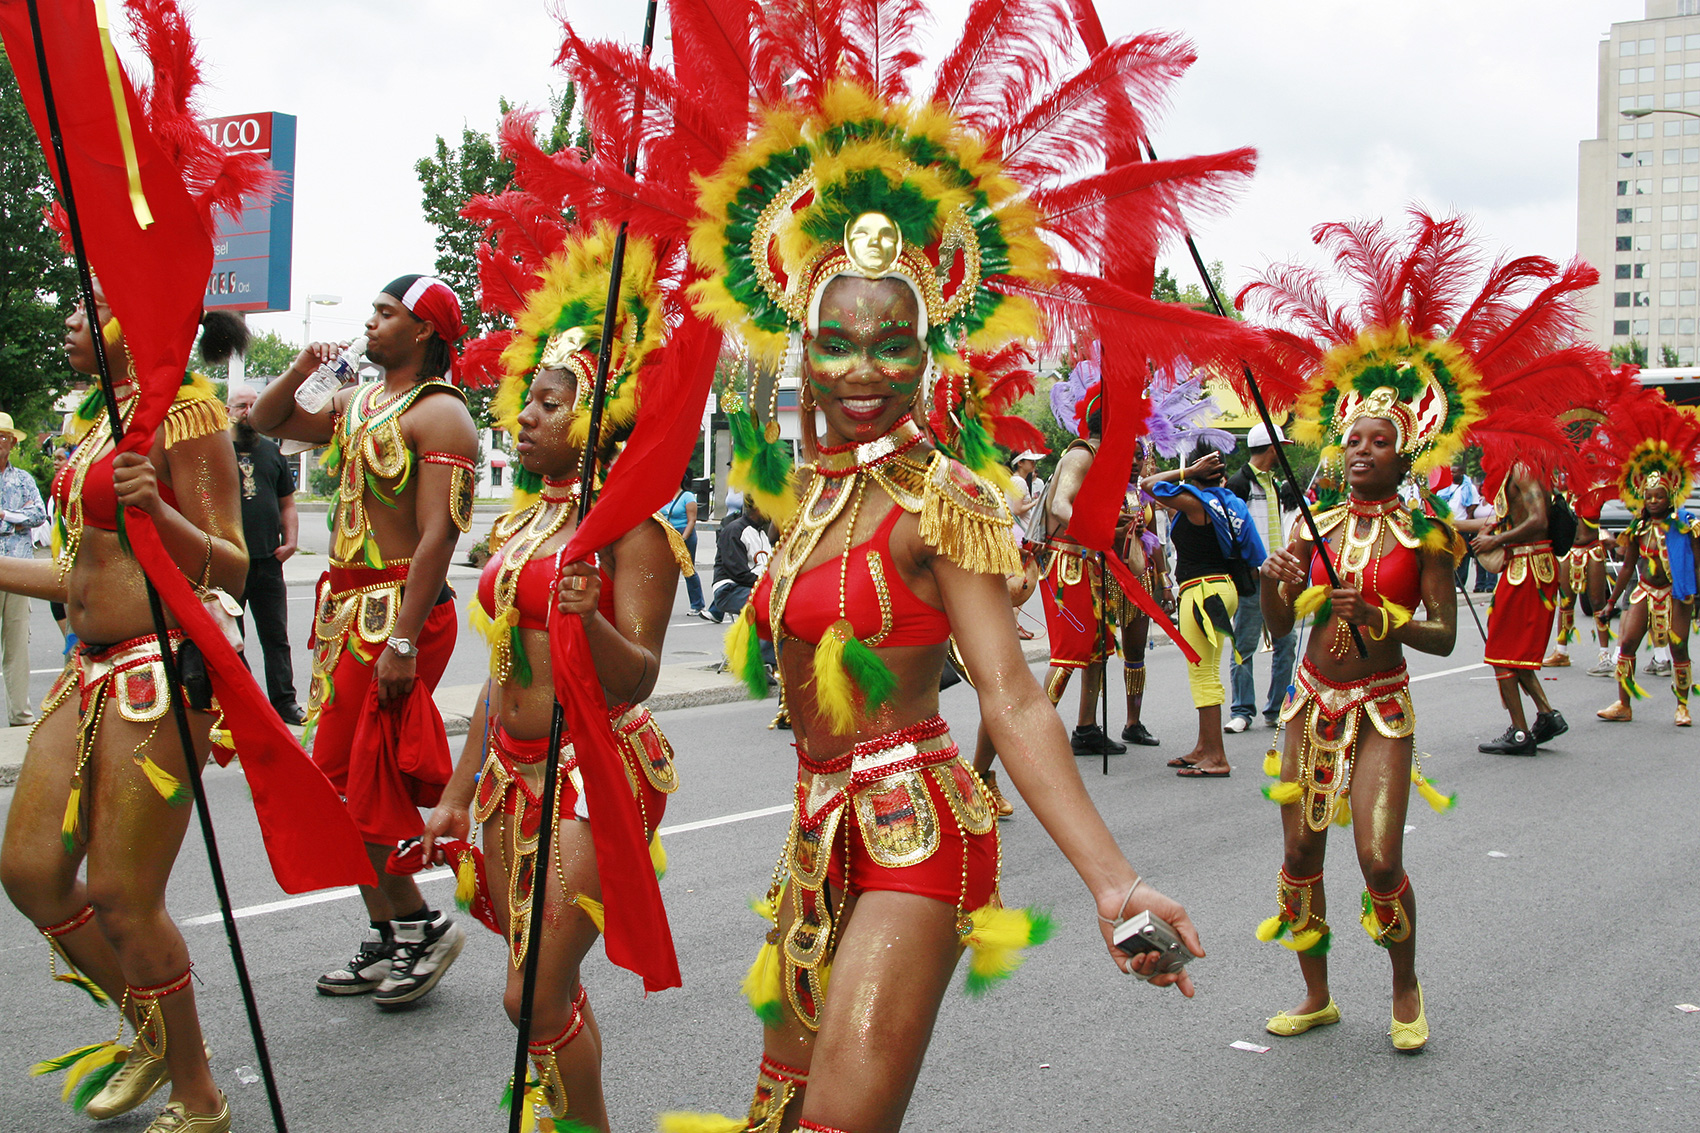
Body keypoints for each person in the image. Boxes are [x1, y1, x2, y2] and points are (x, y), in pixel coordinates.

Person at [556, 6, 1263, 1125]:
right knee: (778, 1110)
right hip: (812, 830)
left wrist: (1110, 878)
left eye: (892, 340)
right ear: (801, 342)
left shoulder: (944, 504)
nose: (861, 366)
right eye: (837, 339)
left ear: (928, 346)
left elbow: (1014, 696)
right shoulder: (811, 502)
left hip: (911, 835)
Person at [1239, 206, 1606, 1051]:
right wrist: (1273, 583)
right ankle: (1318, 993)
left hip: (1379, 709)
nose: (1360, 450)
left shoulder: (1429, 537)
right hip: (1309, 705)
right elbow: (1275, 631)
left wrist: (1383, 616)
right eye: (1351, 440)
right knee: (1299, 860)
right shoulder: (1313, 528)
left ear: (1407, 455)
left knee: (1376, 860)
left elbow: (1445, 637)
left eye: (1378, 441)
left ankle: (1404, 988)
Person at [420, 219, 689, 1130]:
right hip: (507, 774)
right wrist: (458, 792)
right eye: (526, 400)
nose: (523, 417)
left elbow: (640, 677)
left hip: (591, 769)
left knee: (527, 996)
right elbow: (500, 670)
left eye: (547, 402)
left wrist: (586, 616)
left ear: (600, 418)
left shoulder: (634, 530)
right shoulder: (523, 525)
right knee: (540, 993)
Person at [0, 291, 250, 1126]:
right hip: (88, 667)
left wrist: (158, 509)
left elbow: (233, 567)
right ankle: (153, 1028)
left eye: (84, 309)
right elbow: (79, 578)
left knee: (119, 893)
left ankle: (198, 1090)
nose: (69, 323)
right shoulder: (95, 427)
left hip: (159, 674)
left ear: (127, 318)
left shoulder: (186, 414)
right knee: (33, 872)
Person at [250, 274, 479, 1006]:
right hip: (346, 612)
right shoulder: (355, 402)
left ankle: (420, 923)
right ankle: (388, 931)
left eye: (387, 314)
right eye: (373, 312)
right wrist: (300, 368)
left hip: (398, 615)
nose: (370, 323)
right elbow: (266, 418)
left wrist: (405, 642)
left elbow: (439, 534)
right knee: (334, 780)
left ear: (422, 331)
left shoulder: (443, 416)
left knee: (367, 782)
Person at [1145, 449, 1265, 777]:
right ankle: (1203, 747)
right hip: (1225, 589)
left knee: (1204, 674)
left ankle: (1216, 757)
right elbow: (1256, 556)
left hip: (1201, 592)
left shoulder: (1196, 503)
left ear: (1196, 474)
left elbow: (1149, 484)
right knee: (1207, 668)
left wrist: (1184, 473)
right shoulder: (1235, 505)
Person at [1034, 355, 1127, 755]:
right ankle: (1036, 733)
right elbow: (1061, 506)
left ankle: (1086, 729)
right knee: (1070, 653)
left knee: (1098, 651)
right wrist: (1098, 532)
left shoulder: (1101, 461)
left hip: (1089, 562)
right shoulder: (1081, 454)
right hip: (1068, 563)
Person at [1594, 391, 1700, 725]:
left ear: (1670, 498)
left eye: (1659, 497)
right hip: (1644, 591)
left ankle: (1681, 706)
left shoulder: (1686, 526)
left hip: (1676, 594)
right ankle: (1623, 704)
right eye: (1649, 496)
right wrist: (1611, 602)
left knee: (1678, 647)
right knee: (1626, 643)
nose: (1653, 501)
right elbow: (1627, 567)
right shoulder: (1638, 528)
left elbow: (1697, 563)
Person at [1474, 463, 1566, 755]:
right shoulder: (1523, 466)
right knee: (1514, 652)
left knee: (1501, 651)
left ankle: (1519, 733)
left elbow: (1538, 521)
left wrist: (1495, 540)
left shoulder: (1524, 468)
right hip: (1527, 564)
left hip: (1528, 568)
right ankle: (1548, 715)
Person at [225, 386, 304, 724]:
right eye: (242, 405)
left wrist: (291, 541)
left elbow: (287, 502)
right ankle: (245, 707)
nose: (249, 411)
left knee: (276, 638)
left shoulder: (273, 452)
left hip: (269, 561)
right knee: (232, 640)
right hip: (231, 564)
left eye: (255, 405)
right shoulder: (216, 450)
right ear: (228, 410)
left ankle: (284, 704)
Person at [1226, 422, 1300, 733]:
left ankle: (1277, 708)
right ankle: (1242, 710)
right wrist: (1246, 571)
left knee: (1287, 642)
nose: (1284, 453)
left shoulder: (1273, 482)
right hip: (1253, 579)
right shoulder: (1239, 485)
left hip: (1278, 577)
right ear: (1272, 449)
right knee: (1244, 643)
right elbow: (1231, 535)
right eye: (1281, 448)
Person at [0, 411, 46, 726]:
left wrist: (6, 516)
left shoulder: (22, 479)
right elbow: (26, 516)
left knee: (17, 646)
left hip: (18, 570)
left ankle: (20, 713)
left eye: (3, 437)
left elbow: (39, 515)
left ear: (12, 442)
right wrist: (17, 518)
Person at [708, 498, 772, 626]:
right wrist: (768, 584)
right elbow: (738, 573)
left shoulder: (762, 534)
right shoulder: (735, 530)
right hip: (729, 589)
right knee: (772, 604)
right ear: (757, 507)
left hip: (750, 586)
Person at [665, 470, 709, 619]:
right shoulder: (665, 496)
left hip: (684, 535)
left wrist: (683, 538)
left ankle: (697, 604)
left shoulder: (687, 496)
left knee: (688, 569)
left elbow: (692, 520)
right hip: (667, 536)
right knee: (665, 572)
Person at [1009, 449, 1045, 541]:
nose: (1034, 463)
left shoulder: (1015, 480)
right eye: (1030, 460)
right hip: (1020, 534)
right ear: (1020, 463)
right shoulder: (1019, 481)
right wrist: (1036, 502)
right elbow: (1017, 510)